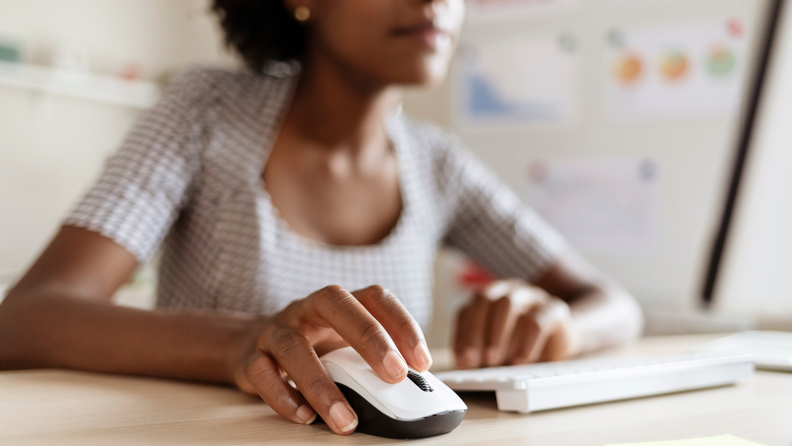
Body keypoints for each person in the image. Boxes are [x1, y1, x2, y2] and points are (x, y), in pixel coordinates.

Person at [0, 0, 643, 436]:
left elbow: (613, 303)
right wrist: (239, 342)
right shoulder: (205, 112)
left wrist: (559, 325)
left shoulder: (438, 163)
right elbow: (26, 319)